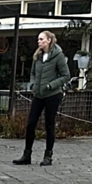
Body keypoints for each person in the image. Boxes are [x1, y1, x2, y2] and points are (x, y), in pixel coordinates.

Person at [13, 31, 70, 167]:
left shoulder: (58, 56)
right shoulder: (37, 56)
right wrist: (32, 84)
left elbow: (65, 75)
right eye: (38, 39)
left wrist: (51, 85)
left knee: (49, 125)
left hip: (52, 94)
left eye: (41, 39)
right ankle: (27, 155)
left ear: (49, 40)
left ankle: (48, 156)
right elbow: (33, 73)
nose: (38, 41)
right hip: (38, 94)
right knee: (31, 123)